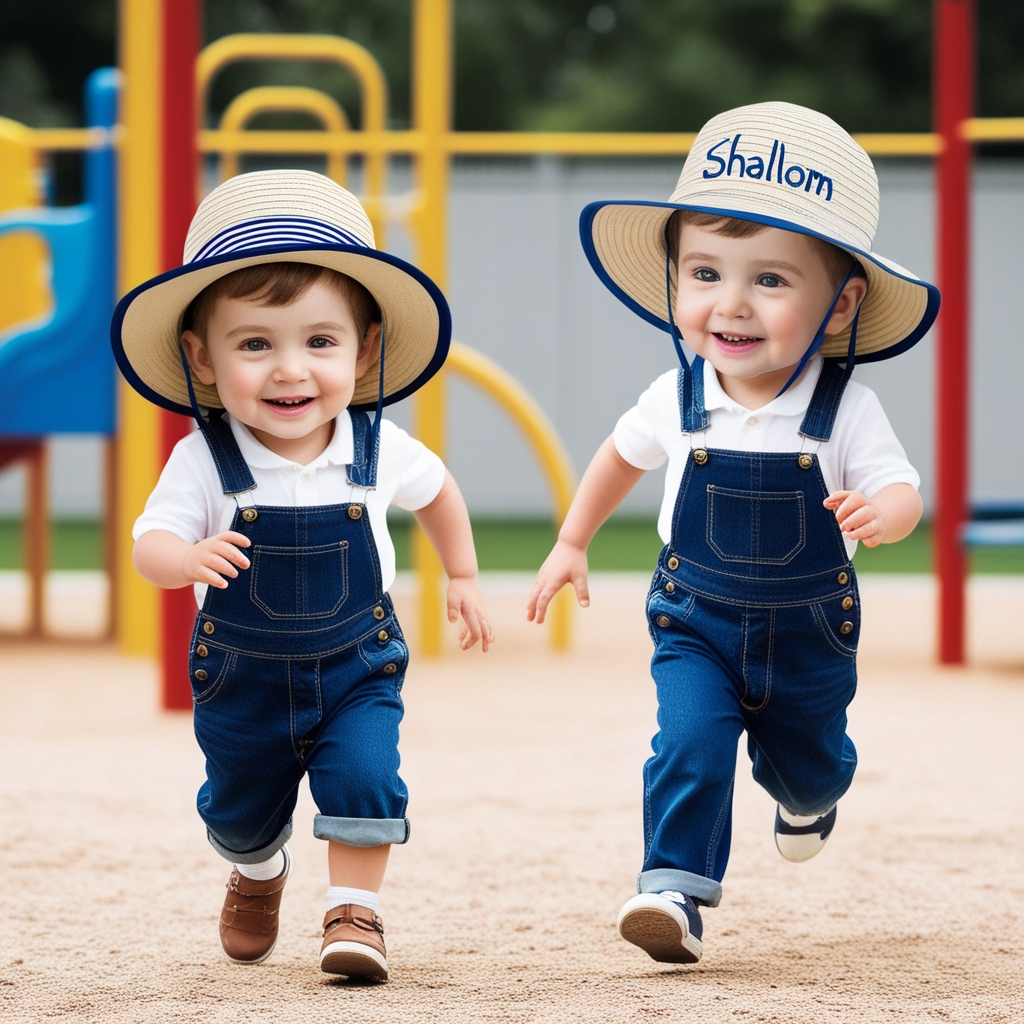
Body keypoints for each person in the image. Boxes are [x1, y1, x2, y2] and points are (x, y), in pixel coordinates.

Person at [527, 102, 938, 965]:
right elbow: (616, 458)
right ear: (676, 279)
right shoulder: (675, 396)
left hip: (808, 638)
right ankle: (672, 887)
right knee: (687, 740)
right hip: (696, 619)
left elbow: (901, 487)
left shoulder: (843, 409)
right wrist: (572, 539)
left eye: (772, 281)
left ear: (840, 304)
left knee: (808, 762)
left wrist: (886, 515)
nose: (732, 306)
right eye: (706, 274)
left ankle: (810, 795)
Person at [113, 169, 493, 982]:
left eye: (320, 342)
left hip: (356, 662)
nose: (290, 369)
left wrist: (460, 572)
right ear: (201, 358)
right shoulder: (204, 461)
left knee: (365, 775)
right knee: (241, 810)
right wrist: (185, 558)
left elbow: (438, 493)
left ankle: (355, 911)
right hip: (242, 676)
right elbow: (149, 543)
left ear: (364, 352)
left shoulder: (377, 448)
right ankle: (257, 870)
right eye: (255, 343)